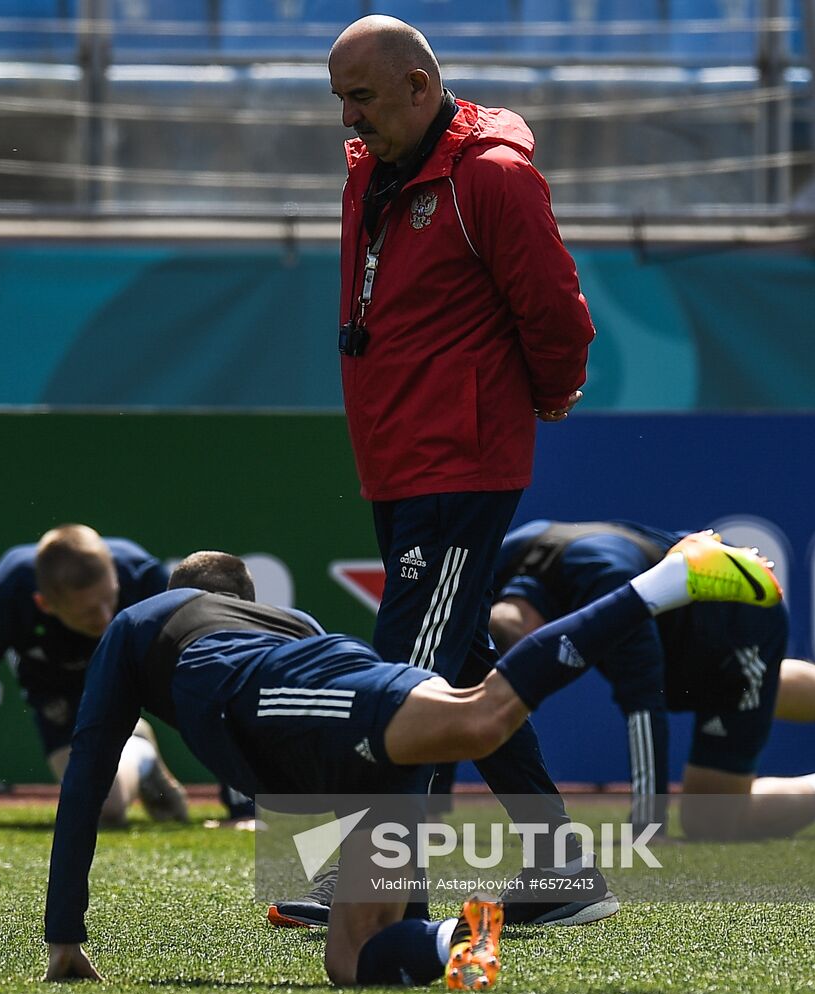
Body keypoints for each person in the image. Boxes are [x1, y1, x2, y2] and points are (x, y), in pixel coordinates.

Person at [43, 533, 782, 988]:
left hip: (331, 711)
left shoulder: (139, 623)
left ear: (180, 596)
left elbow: (85, 779)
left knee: (484, 715)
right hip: (358, 736)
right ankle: (460, 936)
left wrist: (64, 933)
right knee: (350, 960)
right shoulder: (286, 618)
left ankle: (666, 580)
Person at [268, 14, 598, 931]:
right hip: (401, 460)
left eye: (361, 98)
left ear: (419, 88)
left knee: (403, 679)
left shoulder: (488, 177)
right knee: (457, 666)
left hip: (457, 463)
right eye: (338, 101)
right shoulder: (375, 169)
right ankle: (560, 869)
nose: (347, 120)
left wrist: (552, 392)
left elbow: (555, 310)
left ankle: (375, 888)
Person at [489, 519, 815, 840]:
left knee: (712, 819)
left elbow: (644, 706)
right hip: (684, 625)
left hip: (740, 621)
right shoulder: (503, 559)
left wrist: (648, 825)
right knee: (761, 684)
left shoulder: (606, 589)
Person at [0, 524, 187, 829]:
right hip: (57, 688)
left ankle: (132, 744)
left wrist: (242, 807)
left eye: (111, 600)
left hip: (129, 669)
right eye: (89, 613)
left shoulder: (143, 575)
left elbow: (212, 680)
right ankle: (140, 749)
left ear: (115, 576)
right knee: (103, 808)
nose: (106, 618)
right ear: (44, 604)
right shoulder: (6, 596)